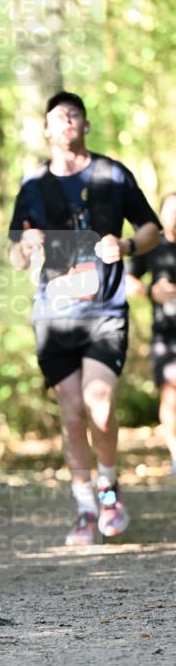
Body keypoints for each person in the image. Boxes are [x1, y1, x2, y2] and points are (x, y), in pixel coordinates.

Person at [8, 91, 160, 546]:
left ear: (86, 125)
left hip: (105, 309)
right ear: (46, 130)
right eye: (58, 117)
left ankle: (109, 487)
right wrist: (26, 248)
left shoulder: (112, 174)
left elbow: (151, 228)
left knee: (101, 406)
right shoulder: (33, 186)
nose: (67, 122)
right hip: (55, 315)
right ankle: (85, 509)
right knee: (73, 414)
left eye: (74, 115)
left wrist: (128, 247)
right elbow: (16, 255)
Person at [125, 193, 176, 475]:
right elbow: (127, 279)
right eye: (171, 212)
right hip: (166, 335)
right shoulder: (152, 245)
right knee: (171, 395)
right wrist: (150, 292)